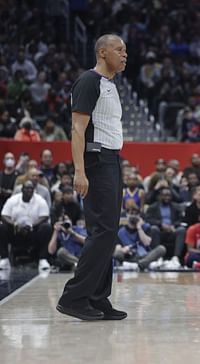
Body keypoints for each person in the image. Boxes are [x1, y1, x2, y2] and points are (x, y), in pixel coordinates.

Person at [57, 34, 128, 321]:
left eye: (125, 51)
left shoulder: (110, 85)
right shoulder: (89, 81)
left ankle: (98, 298)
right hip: (97, 162)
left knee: (109, 233)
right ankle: (74, 297)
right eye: (119, 50)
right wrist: (79, 170)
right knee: (102, 232)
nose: (124, 55)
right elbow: (77, 129)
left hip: (112, 160)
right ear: (102, 52)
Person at [0, 181, 51, 271]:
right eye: (27, 188)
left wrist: (31, 225)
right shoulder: (13, 200)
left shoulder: (40, 200)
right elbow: (4, 215)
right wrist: (15, 224)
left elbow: (45, 216)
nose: (29, 190)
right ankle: (4, 259)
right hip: (16, 231)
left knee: (46, 227)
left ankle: (43, 259)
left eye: (31, 188)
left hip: (33, 231)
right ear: (22, 189)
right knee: (2, 227)